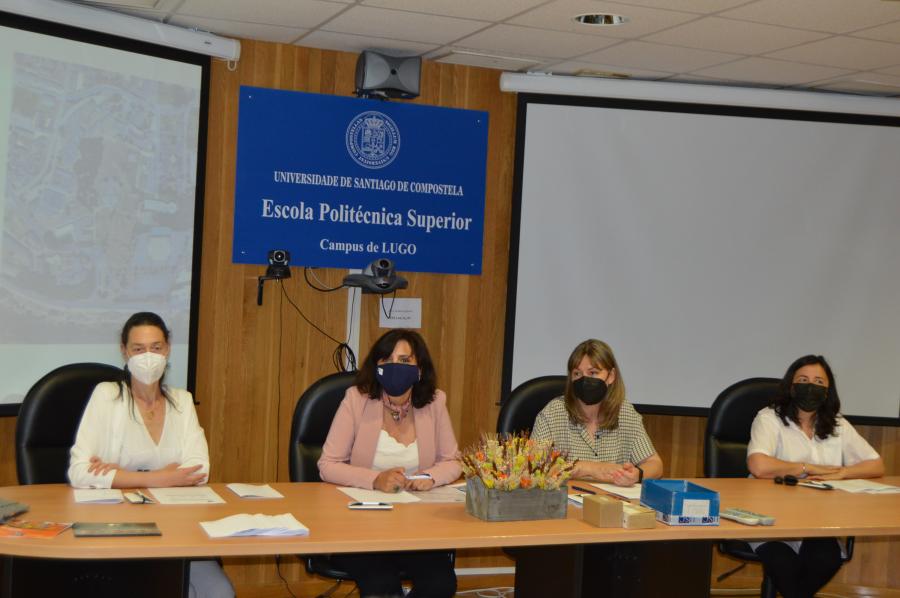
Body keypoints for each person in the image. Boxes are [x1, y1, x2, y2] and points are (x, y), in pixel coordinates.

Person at [68, 312, 234, 598]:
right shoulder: (107, 395)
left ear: (168, 348)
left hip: (178, 528)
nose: (148, 356)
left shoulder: (182, 401)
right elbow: (80, 472)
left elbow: (199, 470)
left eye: (156, 348)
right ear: (124, 352)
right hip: (119, 529)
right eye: (138, 349)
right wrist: (165, 476)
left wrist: (119, 475)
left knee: (220, 592)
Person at [318, 329, 460, 598]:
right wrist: (375, 479)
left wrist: (429, 476)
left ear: (419, 369)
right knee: (382, 587)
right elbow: (328, 464)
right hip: (361, 527)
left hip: (417, 527)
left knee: (441, 584)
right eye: (387, 360)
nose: (396, 367)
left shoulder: (435, 402)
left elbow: (452, 460)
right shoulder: (356, 399)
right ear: (377, 366)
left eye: (405, 360)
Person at [747, 354, 884, 598]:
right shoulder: (769, 418)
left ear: (828, 391)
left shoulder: (837, 425)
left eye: (819, 382)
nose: (811, 386)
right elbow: (759, 465)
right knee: (784, 565)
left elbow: (876, 465)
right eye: (803, 379)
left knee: (827, 560)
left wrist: (844, 472)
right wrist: (807, 468)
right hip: (771, 520)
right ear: (791, 386)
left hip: (817, 522)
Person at [531, 339, 663, 485]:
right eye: (577, 374)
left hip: (612, 503)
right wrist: (591, 468)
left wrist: (637, 474)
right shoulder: (553, 413)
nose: (584, 380)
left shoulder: (624, 412)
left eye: (593, 373)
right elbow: (534, 465)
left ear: (611, 376)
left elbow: (655, 464)